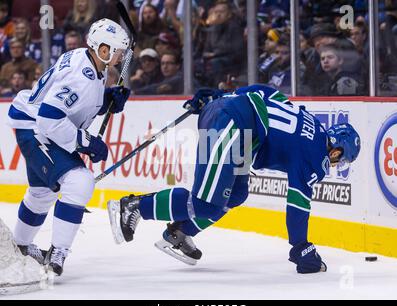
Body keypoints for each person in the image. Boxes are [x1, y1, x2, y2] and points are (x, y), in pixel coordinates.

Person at [107, 84, 361, 273]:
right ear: (336, 150)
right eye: (341, 159)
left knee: (237, 193)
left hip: (233, 121)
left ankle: (182, 232)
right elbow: (297, 205)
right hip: (232, 124)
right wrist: (301, 247)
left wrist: (221, 94)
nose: (337, 163)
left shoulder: (309, 119)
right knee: (206, 202)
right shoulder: (316, 157)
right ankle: (134, 206)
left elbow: (264, 91)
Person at [7, 18, 131, 276]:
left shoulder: (88, 59)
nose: (122, 55)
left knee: (42, 194)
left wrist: (105, 99)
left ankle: (18, 247)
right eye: (118, 50)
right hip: (36, 127)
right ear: (103, 50)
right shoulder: (81, 77)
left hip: (32, 120)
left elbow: (71, 104)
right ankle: (57, 253)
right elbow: (50, 118)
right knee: (79, 182)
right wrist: (86, 142)